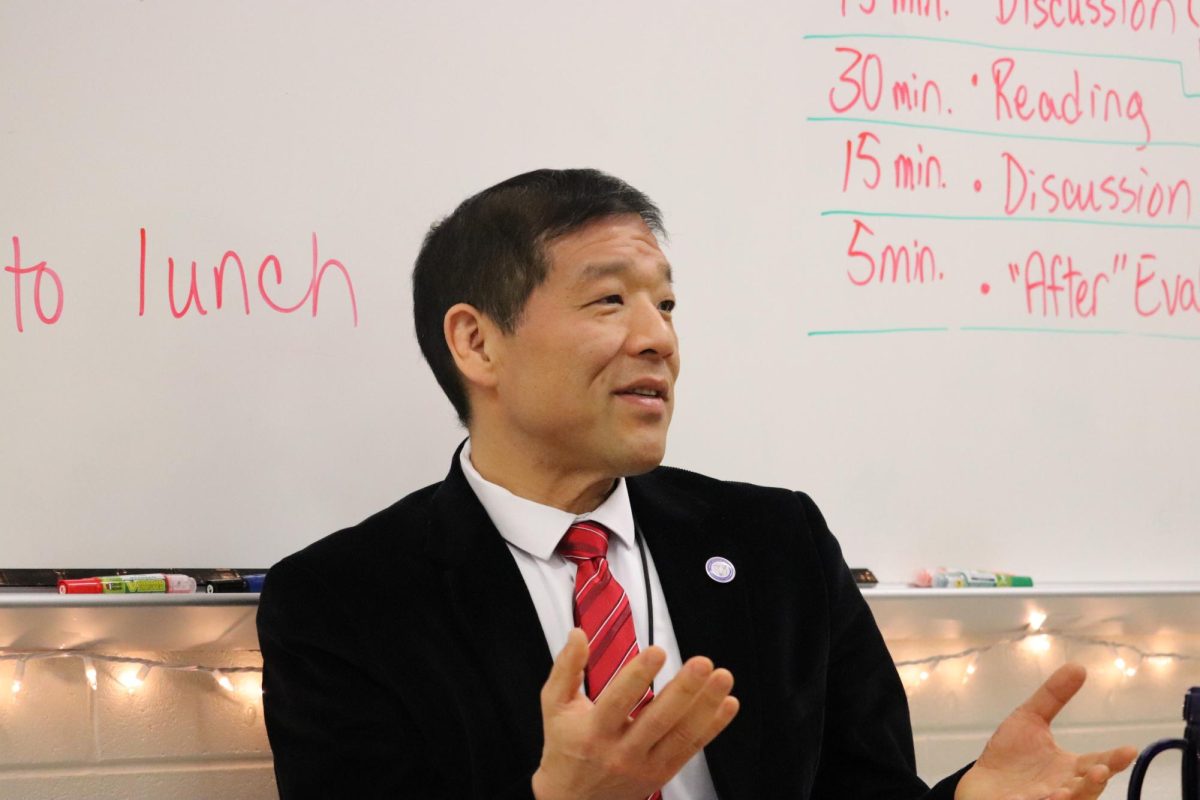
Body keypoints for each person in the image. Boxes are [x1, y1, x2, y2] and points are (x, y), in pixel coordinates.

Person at [257, 168, 1136, 799]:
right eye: (610, 302)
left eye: (667, 305)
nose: (659, 340)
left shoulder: (778, 543)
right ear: (477, 343)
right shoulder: (342, 602)